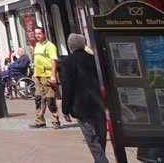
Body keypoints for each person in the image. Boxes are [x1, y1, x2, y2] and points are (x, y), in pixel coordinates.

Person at [59, 33, 108, 162]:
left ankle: (102, 161)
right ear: (84, 45)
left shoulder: (66, 62)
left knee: (92, 139)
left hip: (81, 107)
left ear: (70, 46)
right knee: (100, 138)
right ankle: (100, 160)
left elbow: (67, 87)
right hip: (100, 104)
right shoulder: (95, 59)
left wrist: (65, 109)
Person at [31, 26, 61, 129]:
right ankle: (39, 121)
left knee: (50, 99)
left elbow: (54, 61)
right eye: (36, 34)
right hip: (38, 76)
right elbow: (36, 61)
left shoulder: (50, 46)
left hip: (47, 76)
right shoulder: (37, 45)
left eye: (39, 33)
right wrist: (35, 73)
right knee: (39, 98)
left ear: (44, 34)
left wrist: (53, 75)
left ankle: (55, 121)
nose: (37, 35)